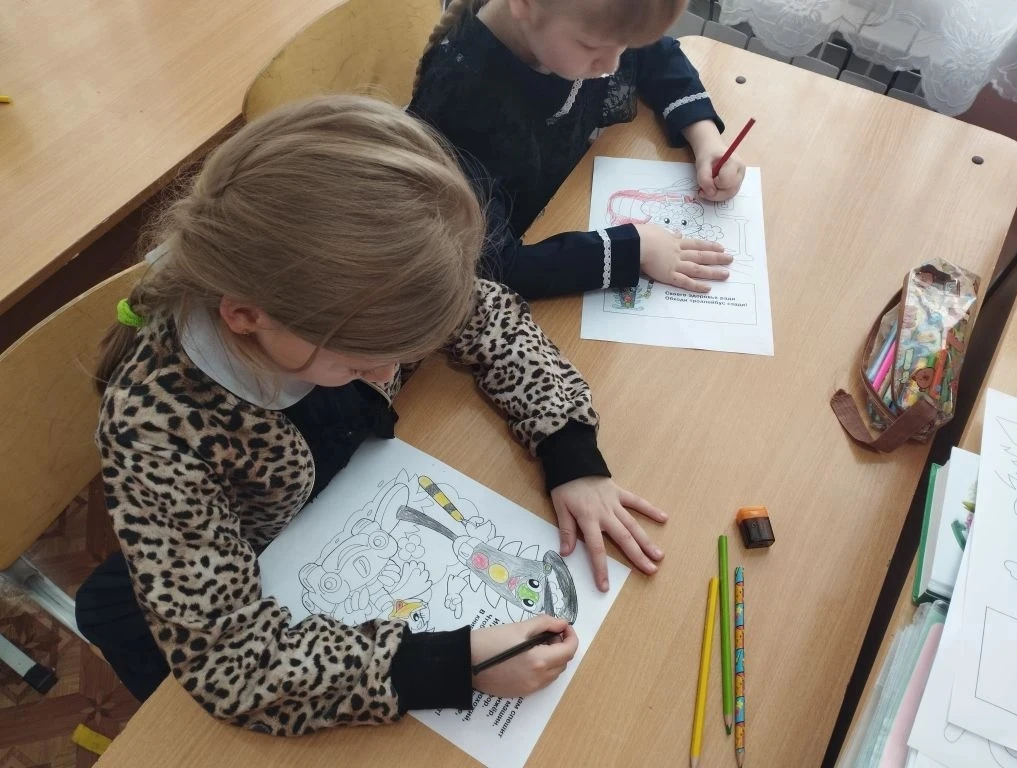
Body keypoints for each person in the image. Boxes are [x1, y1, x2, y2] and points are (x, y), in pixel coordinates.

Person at [75, 95, 666, 732]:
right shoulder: (155, 427)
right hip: (238, 562)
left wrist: (569, 450)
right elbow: (233, 662)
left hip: (349, 497)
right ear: (245, 317)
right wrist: (448, 665)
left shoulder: (354, 287)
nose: (387, 374)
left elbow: (484, 315)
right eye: (362, 361)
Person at [410, 0, 747, 300]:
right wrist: (634, 249)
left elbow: (656, 55)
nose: (613, 64)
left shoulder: (579, 24)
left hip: (568, 198)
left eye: (625, 44)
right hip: (524, 247)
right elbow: (494, 267)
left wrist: (705, 138)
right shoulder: (460, 103)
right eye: (592, 46)